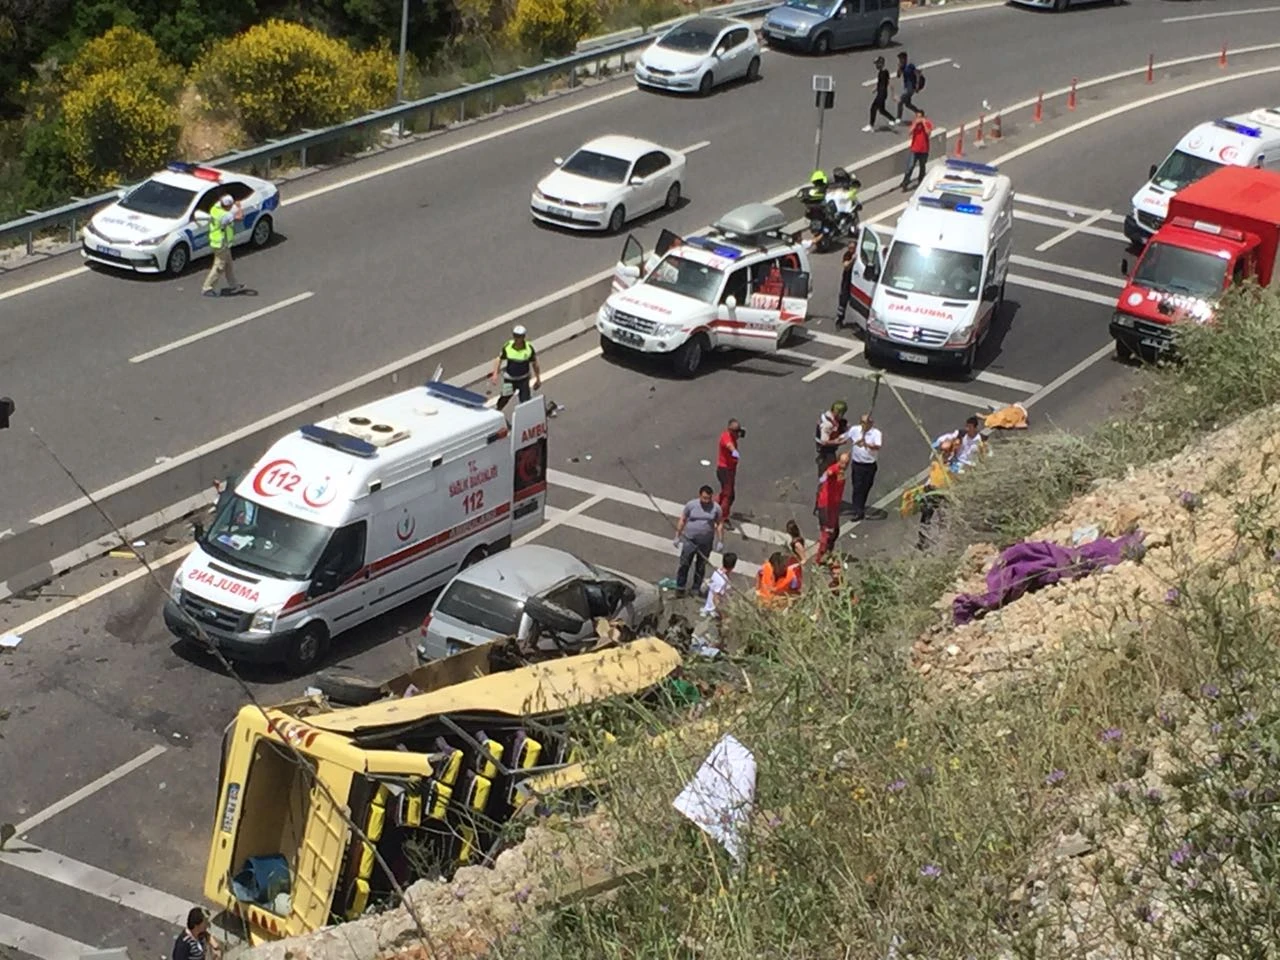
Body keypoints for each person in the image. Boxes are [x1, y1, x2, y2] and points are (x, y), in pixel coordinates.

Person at [673, 485, 724, 598]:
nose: (706, 501)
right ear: (699, 495)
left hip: (705, 543)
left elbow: (719, 523)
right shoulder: (691, 505)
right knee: (684, 564)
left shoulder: (716, 508)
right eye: (704, 498)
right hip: (690, 540)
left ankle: (696, 588)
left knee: (701, 566)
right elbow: (683, 519)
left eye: (708, 498)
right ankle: (680, 587)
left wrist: (720, 540)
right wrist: (677, 536)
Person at [200, 194, 244, 297]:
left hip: (217, 241)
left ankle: (234, 285)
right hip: (221, 243)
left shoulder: (215, 208)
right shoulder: (226, 216)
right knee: (219, 266)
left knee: (228, 264)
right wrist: (239, 207)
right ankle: (207, 287)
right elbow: (240, 217)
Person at [491, 325, 542, 411]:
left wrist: (538, 379)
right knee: (504, 397)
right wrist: (495, 374)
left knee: (525, 401)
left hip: (523, 380)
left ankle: (525, 418)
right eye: (515, 335)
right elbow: (499, 359)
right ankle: (497, 411)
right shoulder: (508, 346)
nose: (516, 338)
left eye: (519, 336)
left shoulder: (529, 348)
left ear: (523, 337)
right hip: (510, 380)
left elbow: (535, 364)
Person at [845, 413, 883, 521]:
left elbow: (877, 446)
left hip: (869, 465)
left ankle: (860, 505)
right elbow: (844, 437)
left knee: (866, 487)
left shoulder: (876, 433)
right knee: (857, 487)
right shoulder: (855, 430)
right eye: (863, 423)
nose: (864, 425)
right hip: (857, 464)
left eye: (867, 423)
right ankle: (857, 510)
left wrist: (866, 444)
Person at [815, 452, 850, 563]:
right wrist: (828, 474)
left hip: (834, 506)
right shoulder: (834, 469)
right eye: (842, 462)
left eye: (846, 463)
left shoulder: (841, 472)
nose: (844, 465)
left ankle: (828, 552)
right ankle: (819, 558)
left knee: (835, 532)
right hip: (826, 505)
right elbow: (828, 474)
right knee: (827, 532)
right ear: (838, 460)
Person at [716, 419, 743, 522]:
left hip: (730, 471)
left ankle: (714, 506)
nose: (738, 433)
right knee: (728, 495)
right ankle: (723, 517)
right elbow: (729, 445)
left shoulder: (733, 436)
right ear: (730, 430)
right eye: (736, 431)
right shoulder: (726, 437)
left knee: (727, 494)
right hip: (725, 470)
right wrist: (734, 451)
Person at [901, 109, 935, 192]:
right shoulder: (915, 123)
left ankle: (921, 181)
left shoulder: (928, 123)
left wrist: (923, 123)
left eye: (920, 117)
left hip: (924, 150)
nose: (918, 118)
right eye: (917, 117)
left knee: (922, 166)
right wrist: (915, 124)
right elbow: (909, 132)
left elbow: (928, 133)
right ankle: (905, 183)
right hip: (914, 149)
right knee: (910, 166)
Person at [863, 56, 897, 133]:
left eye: (877, 64)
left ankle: (871, 125)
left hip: (882, 94)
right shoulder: (881, 72)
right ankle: (893, 119)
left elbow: (889, 83)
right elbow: (880, 83)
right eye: (876, 64)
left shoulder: (885, 72)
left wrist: (893, 94)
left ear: (881, 63)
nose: (876, 66)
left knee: (873, 108)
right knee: (881, 110)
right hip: (881, 93)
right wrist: (875, 89)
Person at [815, 400, 849, 474]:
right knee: (830, 470)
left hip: (827, 449)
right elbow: (824, 442)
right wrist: (838, 442)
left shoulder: (828, 416)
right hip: (826, 451)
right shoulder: (827, 425)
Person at [702, 551, 737, 623]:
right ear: (733, 566)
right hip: (713, 611)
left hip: (712, 606)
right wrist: (723, 616)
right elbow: (716, 598)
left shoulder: (717, 572)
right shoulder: (721, 581)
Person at [835, 241, 858, 329]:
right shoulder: (847, 255)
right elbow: (846, 266)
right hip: (846, 282)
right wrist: (852, 259)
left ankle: (857, 322)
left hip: (856, 282)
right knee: (843, 302)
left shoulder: (859, 256)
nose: (851, 250)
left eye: (853, 248)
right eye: (850, 248)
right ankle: (839, 320)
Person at [895, 51, 923, 121]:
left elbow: (917, 74)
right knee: (907, 104)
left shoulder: (910, 66)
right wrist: (899, 67)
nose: (900, 60)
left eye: (901, 59)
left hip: (911, 88)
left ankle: (898, 118)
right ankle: (919, 112)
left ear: (905, 58)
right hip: (906, 87)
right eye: (899, 59)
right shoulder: (903, 67)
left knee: (900, 101)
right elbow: (898, 76)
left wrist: (917, 85)